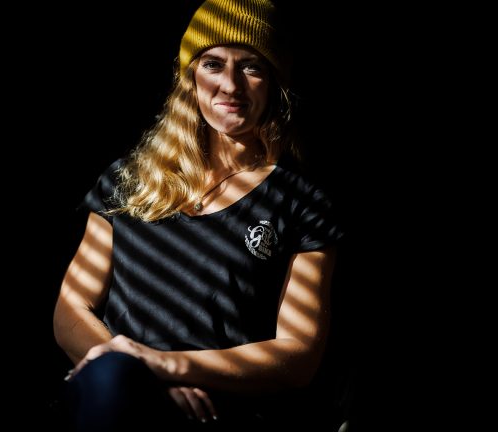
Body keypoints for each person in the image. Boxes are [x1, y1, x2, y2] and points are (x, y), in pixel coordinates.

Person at [52, 0, 344, 430]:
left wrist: (165, 365)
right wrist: (139, 373)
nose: (230, 85)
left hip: (216, 413)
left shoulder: (301, 202)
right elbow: (71, 310)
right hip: (112, 395)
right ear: (189, 78)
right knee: (109, 383)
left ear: (274, 83)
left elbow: (298, 355)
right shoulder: (129, 179)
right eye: (212, 64)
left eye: (251, 67)